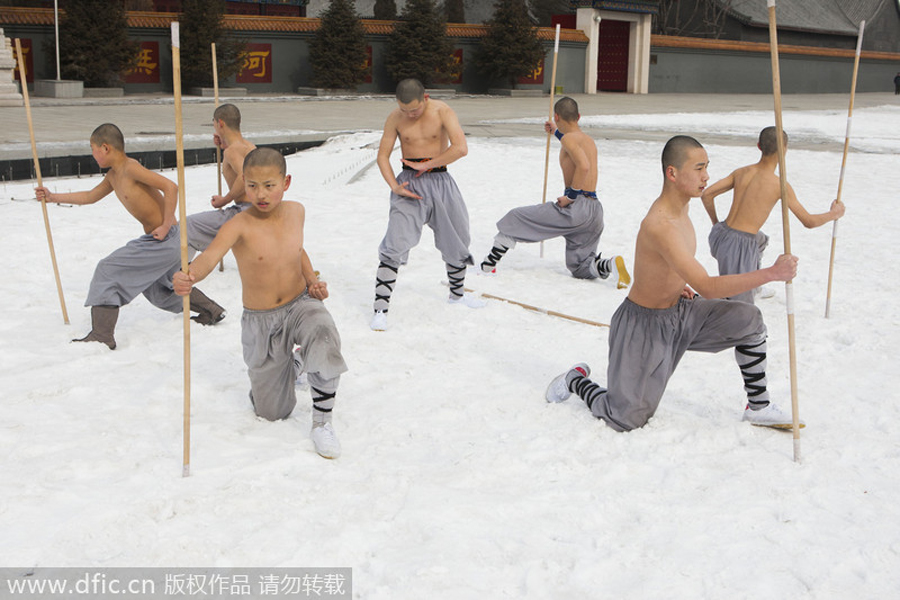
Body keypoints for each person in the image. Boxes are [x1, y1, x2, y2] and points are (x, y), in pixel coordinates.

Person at [545, 135, 802, 431]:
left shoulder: (683, 207)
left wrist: (677, 282)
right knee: (626, 417)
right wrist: (770, 273)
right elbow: (707, 286)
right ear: (673, 173)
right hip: (644, 327)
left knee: (749, 319)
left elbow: (668, 263)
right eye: (699, 168)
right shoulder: (660, 223)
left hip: (682, 312)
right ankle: (575, 380)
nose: (706, 176)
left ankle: (759, 406)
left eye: (707, 167)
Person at [173, 147, 348, 459]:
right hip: (261, 319)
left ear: (286, 182)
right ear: (243, 183)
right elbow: (210, 256)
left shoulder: (296, 211)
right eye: (252, 185)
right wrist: (190, 276)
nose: (261, 194)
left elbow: (298, 249)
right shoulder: (238, 224)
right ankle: (295, 365)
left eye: (269, 185)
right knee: (271, 412)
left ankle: (322, 423)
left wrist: (311, 281)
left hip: (300, 304)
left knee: (322, 332)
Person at [35, 123, 225, 350]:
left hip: (167, 238)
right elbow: (89, 196)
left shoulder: (130, 168)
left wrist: (166, 224)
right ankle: (210, 310)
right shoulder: (114, 176)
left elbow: (171, 187)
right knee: (158, 290)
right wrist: (52, 196)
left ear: (105, 148)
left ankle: (102, 335)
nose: (92, 154)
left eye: (93, 148)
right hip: (162, 240)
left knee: (108, 269)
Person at [370, 78, 484, 331]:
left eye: (414, 109)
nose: (410, 114)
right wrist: (394, 186)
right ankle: (380, 308)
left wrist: (427, 164)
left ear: (426, 98)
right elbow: (382, 155)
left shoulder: (443, 111)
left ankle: (457, 294)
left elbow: (460, 148)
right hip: (409, 184)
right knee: (395, 242)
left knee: (457, 237)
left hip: (440, 179)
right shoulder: (395, 118)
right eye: (404, 110)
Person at [479, 97, 630, 287]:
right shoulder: (588, 140)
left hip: (576, 206)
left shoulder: (568, 139)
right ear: (579, 116)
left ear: (556, 116)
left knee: (516, 217)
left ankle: (488, 264)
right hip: (594, 210)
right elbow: (573, 145)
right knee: (580, 266)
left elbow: (583, 166)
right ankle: (608, 265)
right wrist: (556, 132)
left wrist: (570, 197)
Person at [700, 126, 844, 303]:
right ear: (785, 150)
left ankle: (756, 287)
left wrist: (716, 224)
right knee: (740, 307)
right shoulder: (779, 184)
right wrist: (833, 213)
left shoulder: (741, 172)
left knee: (760, 240)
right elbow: (809, 221)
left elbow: (707, 194)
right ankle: (744, 299)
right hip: (738, 248)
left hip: (720, 236)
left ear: (759, 146)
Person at [186, 103, 257, 253]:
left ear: (220, 123)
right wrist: (224, 143)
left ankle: (182, 268)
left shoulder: (232, 151)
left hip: (245, 211)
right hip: (257, 207)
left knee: (188, 226)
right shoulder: (249, 146)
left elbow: (244, 176)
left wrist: (225, 199)